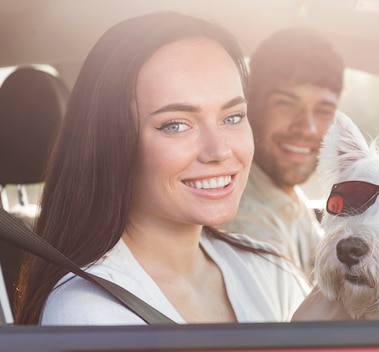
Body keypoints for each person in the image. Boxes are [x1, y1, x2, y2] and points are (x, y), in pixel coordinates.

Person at [13, 12, 310, 325]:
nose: (219, 150)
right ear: (113, 142)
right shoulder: (86, 311)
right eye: (176, 125)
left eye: (232, 117)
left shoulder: (274, 275)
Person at [220, 27, 345, 279]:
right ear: (250, 106)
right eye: (286, 104)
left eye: (323, 111)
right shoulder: (246, 225)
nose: (307, 129)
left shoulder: (282, 195)